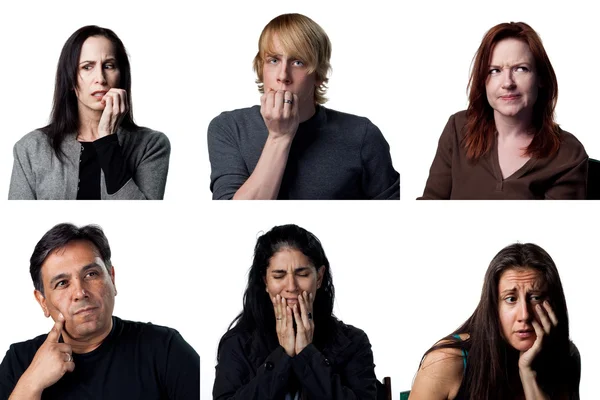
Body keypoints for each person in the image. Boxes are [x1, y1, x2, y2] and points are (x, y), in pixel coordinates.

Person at [208, 14, 399, 200]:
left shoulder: (362, 135)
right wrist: (279, 137)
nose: (283, 75)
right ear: (261, 67)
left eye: (298, 62)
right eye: (274, 60)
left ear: (318, 75)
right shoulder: (229, 128)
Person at [0, 223, 199, 399]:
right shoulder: (19, 361)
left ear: (112, 278)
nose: (80, 292)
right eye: (62, 283)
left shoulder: (164, 348)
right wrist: (31, 384)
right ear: (42, 301)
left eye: (91, 274)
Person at [419, 22, 587, 199]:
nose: (507, 83)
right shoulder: (458, 128)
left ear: (541, 78)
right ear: (483, 81)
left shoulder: (568, 154)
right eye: (494, 71)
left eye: (521, 69)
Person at [213, 224, 378, 399]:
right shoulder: (238, 343)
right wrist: (282, 357)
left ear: (319, 277)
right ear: (265, 282)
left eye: (302, 274)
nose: (291, 287)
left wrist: (307, 354)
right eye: (279, 276)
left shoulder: (352, 342)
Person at [9, 25, 170, 200]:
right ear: (70, 79)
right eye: (87, 67)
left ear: (121, 76)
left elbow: (144, 217)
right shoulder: (31, 148)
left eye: (109, 66)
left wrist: (107, 140)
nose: (100, 78)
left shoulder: (151, 145)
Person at [409, 243, 580, 399]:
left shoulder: (566, 356)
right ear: (493, 306)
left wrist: (528, 375)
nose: (524, 315)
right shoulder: (446, 361)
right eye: (511, 299)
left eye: (535, 297)